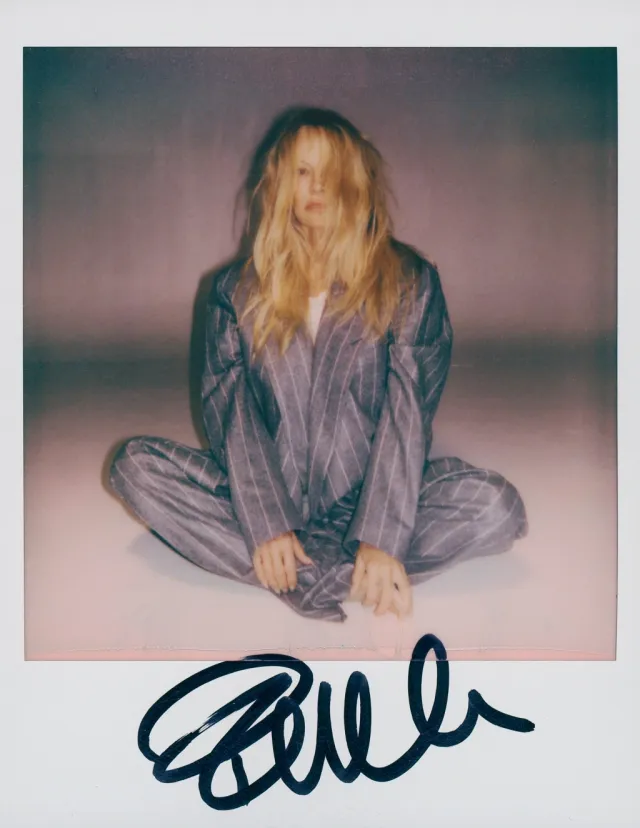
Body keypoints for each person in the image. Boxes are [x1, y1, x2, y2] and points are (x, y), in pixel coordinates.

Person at [109, 107, 528, 623]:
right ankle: (340, 573)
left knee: (496, 507)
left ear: (357, 181)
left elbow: (408, 413)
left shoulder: (408, 281)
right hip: (264, 490)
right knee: (134, 468)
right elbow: (232, 415)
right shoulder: (235, 291)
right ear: (281, 184)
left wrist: (381, 537)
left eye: (331, 171)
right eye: (302, 171)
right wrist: (266, 523)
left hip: (373, 493)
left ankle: (312, 569)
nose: (317, 186)